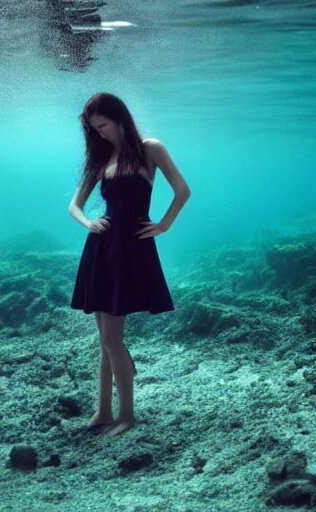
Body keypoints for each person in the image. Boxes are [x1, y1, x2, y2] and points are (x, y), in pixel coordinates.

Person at [67, 93, 191, 436]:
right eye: (94, 129)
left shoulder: (150, 148)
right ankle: (103, 411)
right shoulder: (101, 157)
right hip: (102, 249)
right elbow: (74, 206)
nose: (100, 133)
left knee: (111, 338)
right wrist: (89, 223)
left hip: (130, 249)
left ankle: (128, 415)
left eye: (103, 125)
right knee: (104, 339)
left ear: (120, 118)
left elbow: (183, 190)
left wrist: (164, 224)